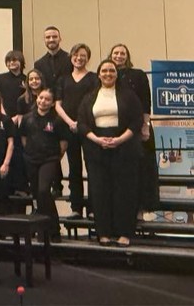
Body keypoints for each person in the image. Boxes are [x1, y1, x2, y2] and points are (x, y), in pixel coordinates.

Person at [77, 59, 144, 247]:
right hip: (97, 149)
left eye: (111, 71)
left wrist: (120, 139)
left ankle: (124, 233)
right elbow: (82, 122)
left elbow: (136, 121)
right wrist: (97, 140)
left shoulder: (129, 96)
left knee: (124, 191)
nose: (108, 74)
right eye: (104, 71)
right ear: (98, 74)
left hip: (124, 148)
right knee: (100, 192)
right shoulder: (89, 97)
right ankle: (103, 233)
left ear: (116, 74)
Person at [108, 43, 158, 213]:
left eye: (122, 53)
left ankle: (140, 211)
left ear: (127, 56)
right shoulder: (106, 76)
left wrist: (145, 126)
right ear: (110, 56)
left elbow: (146, 102)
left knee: (142, 171)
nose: (119, 56)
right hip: (116, 130)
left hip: (139, 128)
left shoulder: (138, 75)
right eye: (116, 53)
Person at [55, 43, 98, 218]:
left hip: (88, 129)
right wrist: (70, 122)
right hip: (69, 129)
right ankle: (76, 207)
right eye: (76, 55)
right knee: (74, 169)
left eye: (83, 55)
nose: (79, 58)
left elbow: (96, 103)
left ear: (87, 58)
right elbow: (57, 105)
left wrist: (81, 123)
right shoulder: (62, 80)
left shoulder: (94, 78)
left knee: (92, 167)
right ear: (71, 57)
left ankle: (94, 208)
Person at [20, 88, 69, 241]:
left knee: (43, 191)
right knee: (37, 195)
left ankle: (54, 229)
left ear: (53, 102)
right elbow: (23, 139)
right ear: (37, 99)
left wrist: (54, 157)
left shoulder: (57, 120)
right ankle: (43, 232)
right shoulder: (28, 118)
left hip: (49, 159)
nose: (43, 101)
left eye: (47, 99)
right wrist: (30, 153)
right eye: (41, 98)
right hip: (31, 159)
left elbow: (63, 144)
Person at [35, 26, 72, 92]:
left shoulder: (70, 59)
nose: (51, 39)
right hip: (47, 101)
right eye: (48, 37)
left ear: (60, 39)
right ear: (44, 40)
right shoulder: (38, 64)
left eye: (54, 37)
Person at [0, 50, 27, 118]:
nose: (11, 62)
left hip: (22, 117)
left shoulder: (26, 79)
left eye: (14, 60)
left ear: (21, 61)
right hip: (3, 116)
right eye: (8, 61)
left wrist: (19, 116)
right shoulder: (0, 78)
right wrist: (4, 115)